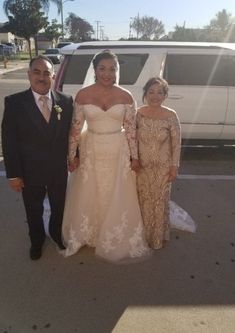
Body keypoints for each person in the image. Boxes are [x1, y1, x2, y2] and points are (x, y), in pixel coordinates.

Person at [61, 50, 151, 263]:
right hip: (91, 148)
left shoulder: (126, 96)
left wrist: (135, 158)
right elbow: (75, 129)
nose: (107, 73)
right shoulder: (83, 96)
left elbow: (131, 130)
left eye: (112, 69)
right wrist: (71, 156)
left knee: (115, 191)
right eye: (102, 68)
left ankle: (113, 233)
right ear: (95, 70)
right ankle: (87, 232)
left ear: (117, 71)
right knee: (90, 190)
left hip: (118, 150)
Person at [1, 55, 73, 260]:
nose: (41, 77)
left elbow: (71, 134)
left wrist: (74, 156)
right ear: (29, 74)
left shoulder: (65, 101)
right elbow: (9, 141)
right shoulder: (14, 103)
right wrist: (13, 174)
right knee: (33, 209)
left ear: (53, 76)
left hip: (58, 170)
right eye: (36, 72)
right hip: (30, 171)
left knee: (59, 206)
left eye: (46, 73)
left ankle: (57, 235)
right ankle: (36, 240)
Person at [136, 77, 181, 249]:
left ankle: (157, 237)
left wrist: (174, 167)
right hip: (142, 167)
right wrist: (133, 160)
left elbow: (176, 144)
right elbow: (131, 140)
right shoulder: (138, 114)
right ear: (145, 94)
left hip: (163, 168)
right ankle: (143, 236)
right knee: (144, 200)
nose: (155, 96)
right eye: (151, 92)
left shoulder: (171, 115)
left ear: (165, 95)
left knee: (159, 201)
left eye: (160, 92)